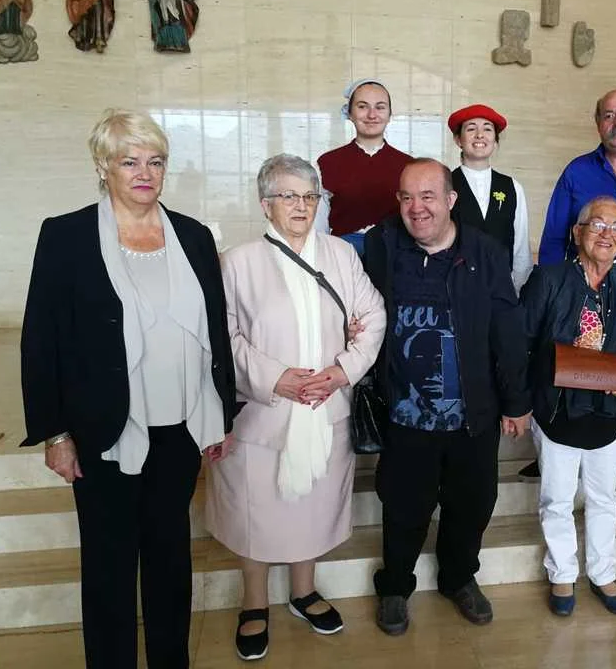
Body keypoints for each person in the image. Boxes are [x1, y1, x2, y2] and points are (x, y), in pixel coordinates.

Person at [20, 108, 237, 668]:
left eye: (155, 161)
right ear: (103, 167)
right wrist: (54, 433)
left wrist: (220, 415)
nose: (145, 173)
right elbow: (41, 339)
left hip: (180, 427)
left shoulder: (192, 235)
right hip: (103, 430)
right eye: (129, 161)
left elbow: (215, 332)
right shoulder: (66, 236)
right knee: (108, 565)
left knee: (170, 559)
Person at [205, 154, 386, 661]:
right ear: (265, 204)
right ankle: (254, 602)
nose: (301, 205)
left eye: (310, 195)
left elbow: (373, 313)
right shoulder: (238, 262)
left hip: (326, 405)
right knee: (256, 512)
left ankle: (304, 592)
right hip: (263, 412)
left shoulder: (341, 255)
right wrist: (275, 378)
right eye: (288, 196)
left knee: (311, 508)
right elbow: (224, 338)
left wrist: (343, 369)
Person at [363, 158, 531, 636]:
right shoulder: (382, 244)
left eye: (428, 196)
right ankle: (395, 586)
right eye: (406, 197)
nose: (416, 208)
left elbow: (507, 329)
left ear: (451, 200)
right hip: (404, 413)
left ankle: (458, 578)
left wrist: (517, 401)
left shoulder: (486, 253)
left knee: (472, 504)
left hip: (472, 415)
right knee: (403, 506)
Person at [522, 89, 616, 519]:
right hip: (580, 292)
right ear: (598, 123)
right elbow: (555, 236)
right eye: (608, 115)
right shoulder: (578, 171)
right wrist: (553, 292)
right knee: (567, 373)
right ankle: (555, 451)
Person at [522, 196, 616, 618]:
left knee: (604, 497)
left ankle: (603, 572)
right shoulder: (549, 279)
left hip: (608, 412)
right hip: (557, 409)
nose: (607, 234)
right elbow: (523, 341)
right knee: (557, 498)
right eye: (598, 225)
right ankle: (561, 572)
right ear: (578, 233)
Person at [316, 79, 412, 255]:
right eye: (362, 106)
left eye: (380, 107)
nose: (372, 115)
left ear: (390, 114)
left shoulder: (409, 165)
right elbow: (319, 225)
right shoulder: (327, 162)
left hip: (395, 255)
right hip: (342, 254)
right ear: (349, 113)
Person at [447, 103, 533, 291]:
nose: (480, 135)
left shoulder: (512, 187)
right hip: (456, 288)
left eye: (487, 129)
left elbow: (520, 248)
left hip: (501, 289)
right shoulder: (444, 185)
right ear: (458, 140)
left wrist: (518, 293)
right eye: (471, 129)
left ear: (495, 141)